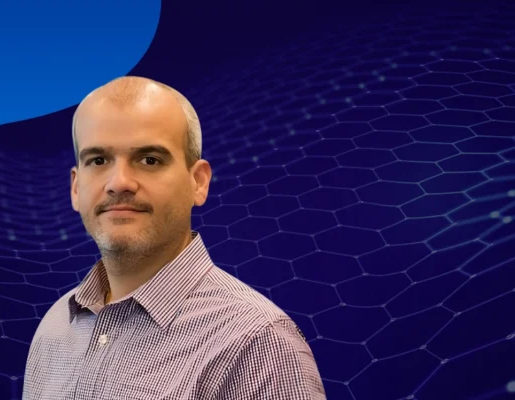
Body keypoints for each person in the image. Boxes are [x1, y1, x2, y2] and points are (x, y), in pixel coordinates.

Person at [22, 76, 325, 399]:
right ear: (76, 187)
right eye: (98, 160)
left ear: (199, 182)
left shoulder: (257, 345)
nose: (119, 182)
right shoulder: (55, 329)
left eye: (149, 160)